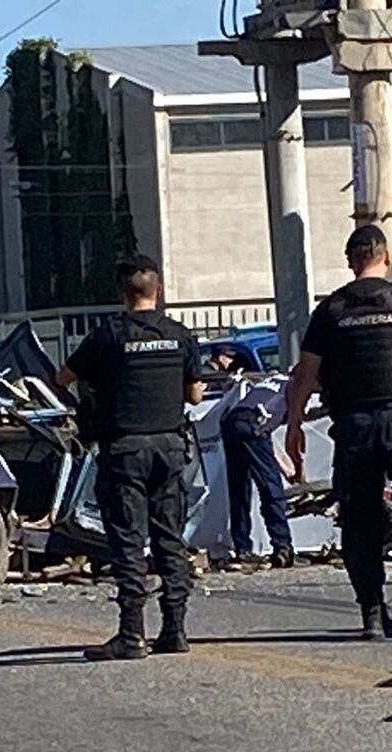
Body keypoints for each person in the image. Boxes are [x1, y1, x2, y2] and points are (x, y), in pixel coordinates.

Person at [286, 223, 392, 641]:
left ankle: (373, 613)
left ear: (350, 260)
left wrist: (294, 425)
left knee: (360, 518)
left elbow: (306, 373)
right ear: (386, 258)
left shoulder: (331, 310)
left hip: (355, 427)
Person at [56, 256, 203, 660]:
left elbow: (62, 379)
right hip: (170, 449)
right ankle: (175, 629)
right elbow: (195, 395)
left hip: (125, 449)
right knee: (170, 538)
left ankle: (132, 634)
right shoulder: (179, 334)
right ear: (158, 290)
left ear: (123, 292)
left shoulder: (108, 335)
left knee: (128, 541)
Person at [209, 346, 295, 569]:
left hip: (234, 423)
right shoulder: (294, 389)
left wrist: (284, 465)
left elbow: (265, 434)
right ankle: (282, 546)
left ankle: (242, 546)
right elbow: (270, 431)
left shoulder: (270, 383)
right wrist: (294, 470)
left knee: (239, 488)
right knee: (270, 488)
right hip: (254, 425)